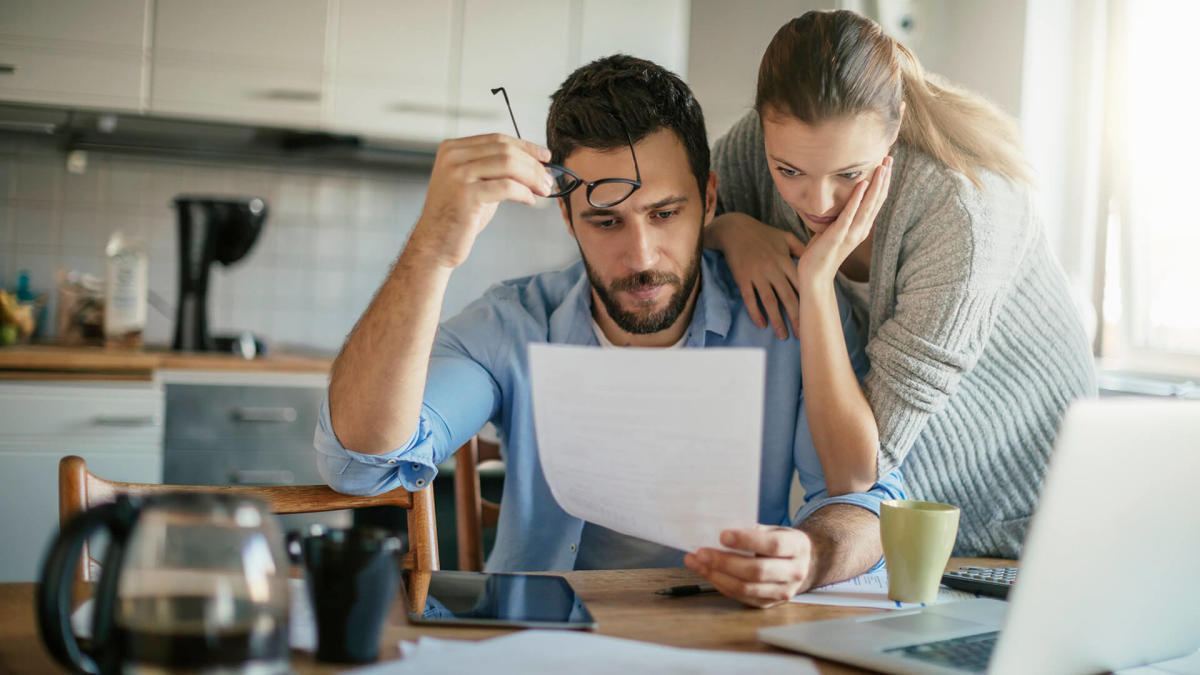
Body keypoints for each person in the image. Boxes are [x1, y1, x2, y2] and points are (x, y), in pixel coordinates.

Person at [314, 54, 903, 608]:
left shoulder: (787, 320)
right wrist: (433, 247)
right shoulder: (514, 326)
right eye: (605, 221)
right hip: (538, 648)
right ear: (567, 216)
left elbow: (867, 502)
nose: (641, 256)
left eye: (665, 213)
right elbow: (360, 465)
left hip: (723, 643)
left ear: (709, 198)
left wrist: (812, 556)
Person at [705, 10, 1097, 558]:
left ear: (895, 127)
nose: (817, 204)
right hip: (911, 527)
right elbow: (672, 223)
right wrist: (730, 228)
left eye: (850, 174)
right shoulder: (754, 146)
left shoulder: (958, 213)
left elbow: (853, 473)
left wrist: (815, 280)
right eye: (788, 171)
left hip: (1034, 523)